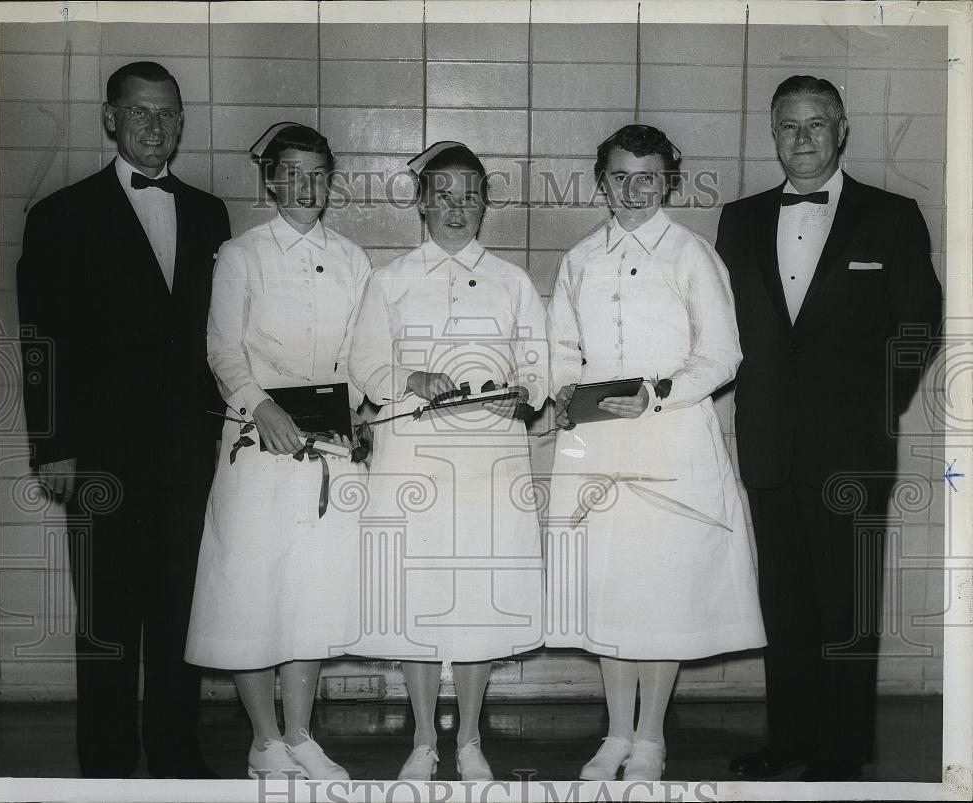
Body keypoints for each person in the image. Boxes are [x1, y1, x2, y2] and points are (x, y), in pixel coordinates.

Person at [716, 76, 942, 782]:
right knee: (784, 604)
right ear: (773, 133)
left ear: (842, 131)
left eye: (818, 123)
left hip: (852, 445)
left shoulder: (892, 215)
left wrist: (878, 407)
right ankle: (789, 739)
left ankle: (841, 751)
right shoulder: (740, 219)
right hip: (769, 443)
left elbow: (919, 326)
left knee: (847, 603)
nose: (804, 137)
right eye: (790, 125)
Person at [16, 61, 230, 778]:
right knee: (107, 628)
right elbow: (41, 343)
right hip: (99, 459)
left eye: (168, 113)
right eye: (139, 112)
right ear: (108, 118)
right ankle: (104, 769)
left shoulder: (208, 213)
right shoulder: (59, 215)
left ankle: (176, 759)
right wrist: (52, 445)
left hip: (188, 458)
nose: (155, 126)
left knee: (178, 623)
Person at [545, 124, 766, 782]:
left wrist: (657, 394)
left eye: (648, 178)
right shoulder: (580, 258)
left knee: (662, 588)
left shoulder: (692, 254)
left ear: (669, 180)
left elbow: (723, 354)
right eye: (619, 177)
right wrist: (558, 391)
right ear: (601, 180)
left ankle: (650, 739)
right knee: (611, 585)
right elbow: (561, 348)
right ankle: (614, 733)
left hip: (669, 436)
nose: (633, 190)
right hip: (597, 442)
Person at [349, 141, 547, 782]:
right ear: (422, 203)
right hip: (413, 460)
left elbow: (542, 370)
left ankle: (467, 741)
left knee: (476, 605)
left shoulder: (514, 281)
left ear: (485, 203)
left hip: (489, 463)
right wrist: (415, 376)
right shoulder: (390, 279)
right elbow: (364, 365)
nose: (457, 208)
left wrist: (522, 391)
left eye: (470, 195)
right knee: (419, 598)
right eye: (444, 195)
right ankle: (421, 741)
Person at [184, 123, 370, 780]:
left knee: (308, 593)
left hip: (327, 450)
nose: (306, 185)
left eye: (318, 172)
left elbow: (361, 351)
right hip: (256, 444)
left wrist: (358, 408)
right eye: (292, 172)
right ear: (271, 178)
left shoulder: (352, 258)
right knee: (251, 592)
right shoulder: (240, 253)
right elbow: (223, 349)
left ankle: (300, 734)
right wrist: (261, 406)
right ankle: (263, 740)